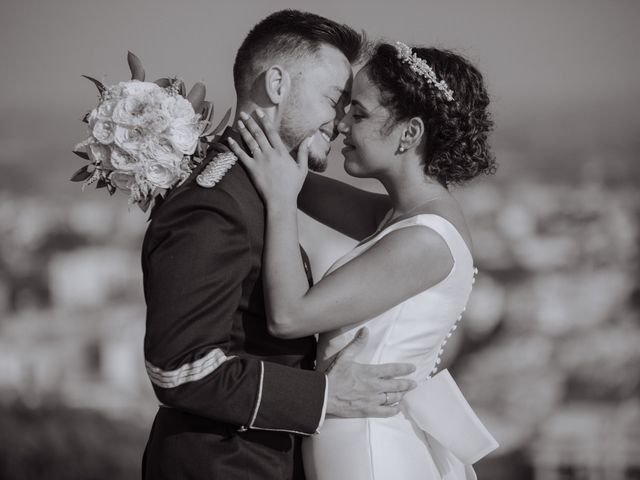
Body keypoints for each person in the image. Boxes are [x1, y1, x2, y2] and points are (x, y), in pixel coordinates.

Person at [141, 11, 417, 480]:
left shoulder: (262, 191)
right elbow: (179, 368)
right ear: (276, 84)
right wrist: (325, 395)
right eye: (335, 99)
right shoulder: (214, 205)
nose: (340, 121)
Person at [227, 41, 496, 480]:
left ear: (409, 134)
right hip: (351, 436)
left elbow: (290, 317)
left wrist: (279, 204)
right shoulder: (401, 214)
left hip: (369, 451)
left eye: (359, 113)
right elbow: (292, 179)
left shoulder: (426, 239)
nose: (340, 124)